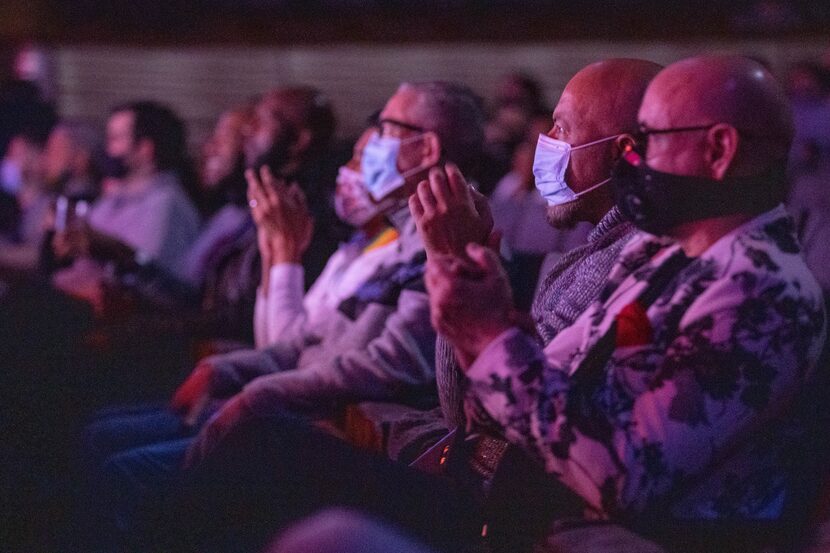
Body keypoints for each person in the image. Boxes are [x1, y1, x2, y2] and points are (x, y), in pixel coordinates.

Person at [147, 59, 663, 553]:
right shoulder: (571, 257)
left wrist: (454, 264)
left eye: (560, 128)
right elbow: (461, 402)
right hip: (466, 474)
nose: (544, 145)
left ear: (624, 151)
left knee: (244, 454)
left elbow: (467, 396)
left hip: (506, 506)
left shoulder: (633, 262)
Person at [427, 55, 826, 552]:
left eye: (649, 140)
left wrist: (491, 342)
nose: (630, 161)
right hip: (534, 514)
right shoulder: (657, 253)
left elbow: (623, 475)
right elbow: (512, 399)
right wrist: (482, 331)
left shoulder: (762, 293)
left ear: (719, 150)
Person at [82, 81, 486, 548]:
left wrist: (258, 388)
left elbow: (391, 364)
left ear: (427, 148)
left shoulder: (448, 239)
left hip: (352, 440)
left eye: (383, 132)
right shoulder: (387, 238)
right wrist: (233, 364)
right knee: (112, 438)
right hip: (307, 418)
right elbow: (299, 341)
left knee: (123, 462)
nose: (369, 148)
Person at [50, 101, 201, 311]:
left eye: (115, 140)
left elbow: (147, 284)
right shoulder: (115, 197)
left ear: (145, 149)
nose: (107, 149)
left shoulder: (166, 206)